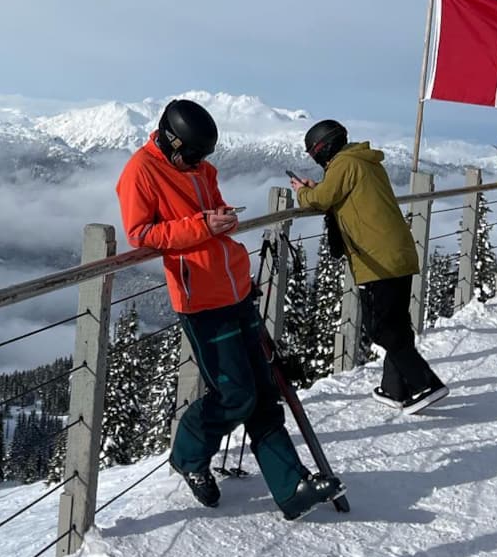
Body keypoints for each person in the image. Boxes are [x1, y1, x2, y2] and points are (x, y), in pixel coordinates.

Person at [116, 98, 342, 520]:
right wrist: (203, 225)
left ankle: (291, 489)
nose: (197, 163)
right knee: (236, 394)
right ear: (171, 141)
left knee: (263, 391)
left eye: (202, 156)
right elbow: (141, 234)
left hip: (236, 286)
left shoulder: (201, 167)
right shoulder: (140, 172)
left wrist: (222, 219)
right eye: (192, 155)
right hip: (200, 299)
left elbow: (210, 213)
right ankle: (188, 454)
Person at [290, 119, 446, 414]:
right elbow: (338, 192)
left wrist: (302, 191)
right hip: (398, 253)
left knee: (381, 329)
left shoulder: (344, 163)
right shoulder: (363, 161)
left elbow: (322, 200)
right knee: (397, 322)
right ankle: (394, 388)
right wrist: (319, 186)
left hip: (377, 260)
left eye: (314, 154)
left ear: (322, 149)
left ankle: (425, 384)